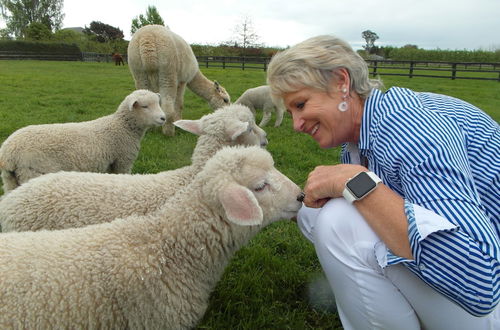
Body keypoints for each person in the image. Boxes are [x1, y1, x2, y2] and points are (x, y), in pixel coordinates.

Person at [266, 35, 500, 329]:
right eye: (291, 112)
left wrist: (353, 180)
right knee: (314, 214)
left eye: (301, 104)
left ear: (341, 82)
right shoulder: (359, 141)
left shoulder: (411, 127)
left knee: (338, 220)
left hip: (487, 296)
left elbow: (482, 281)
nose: (296, 125)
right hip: (466, 290)